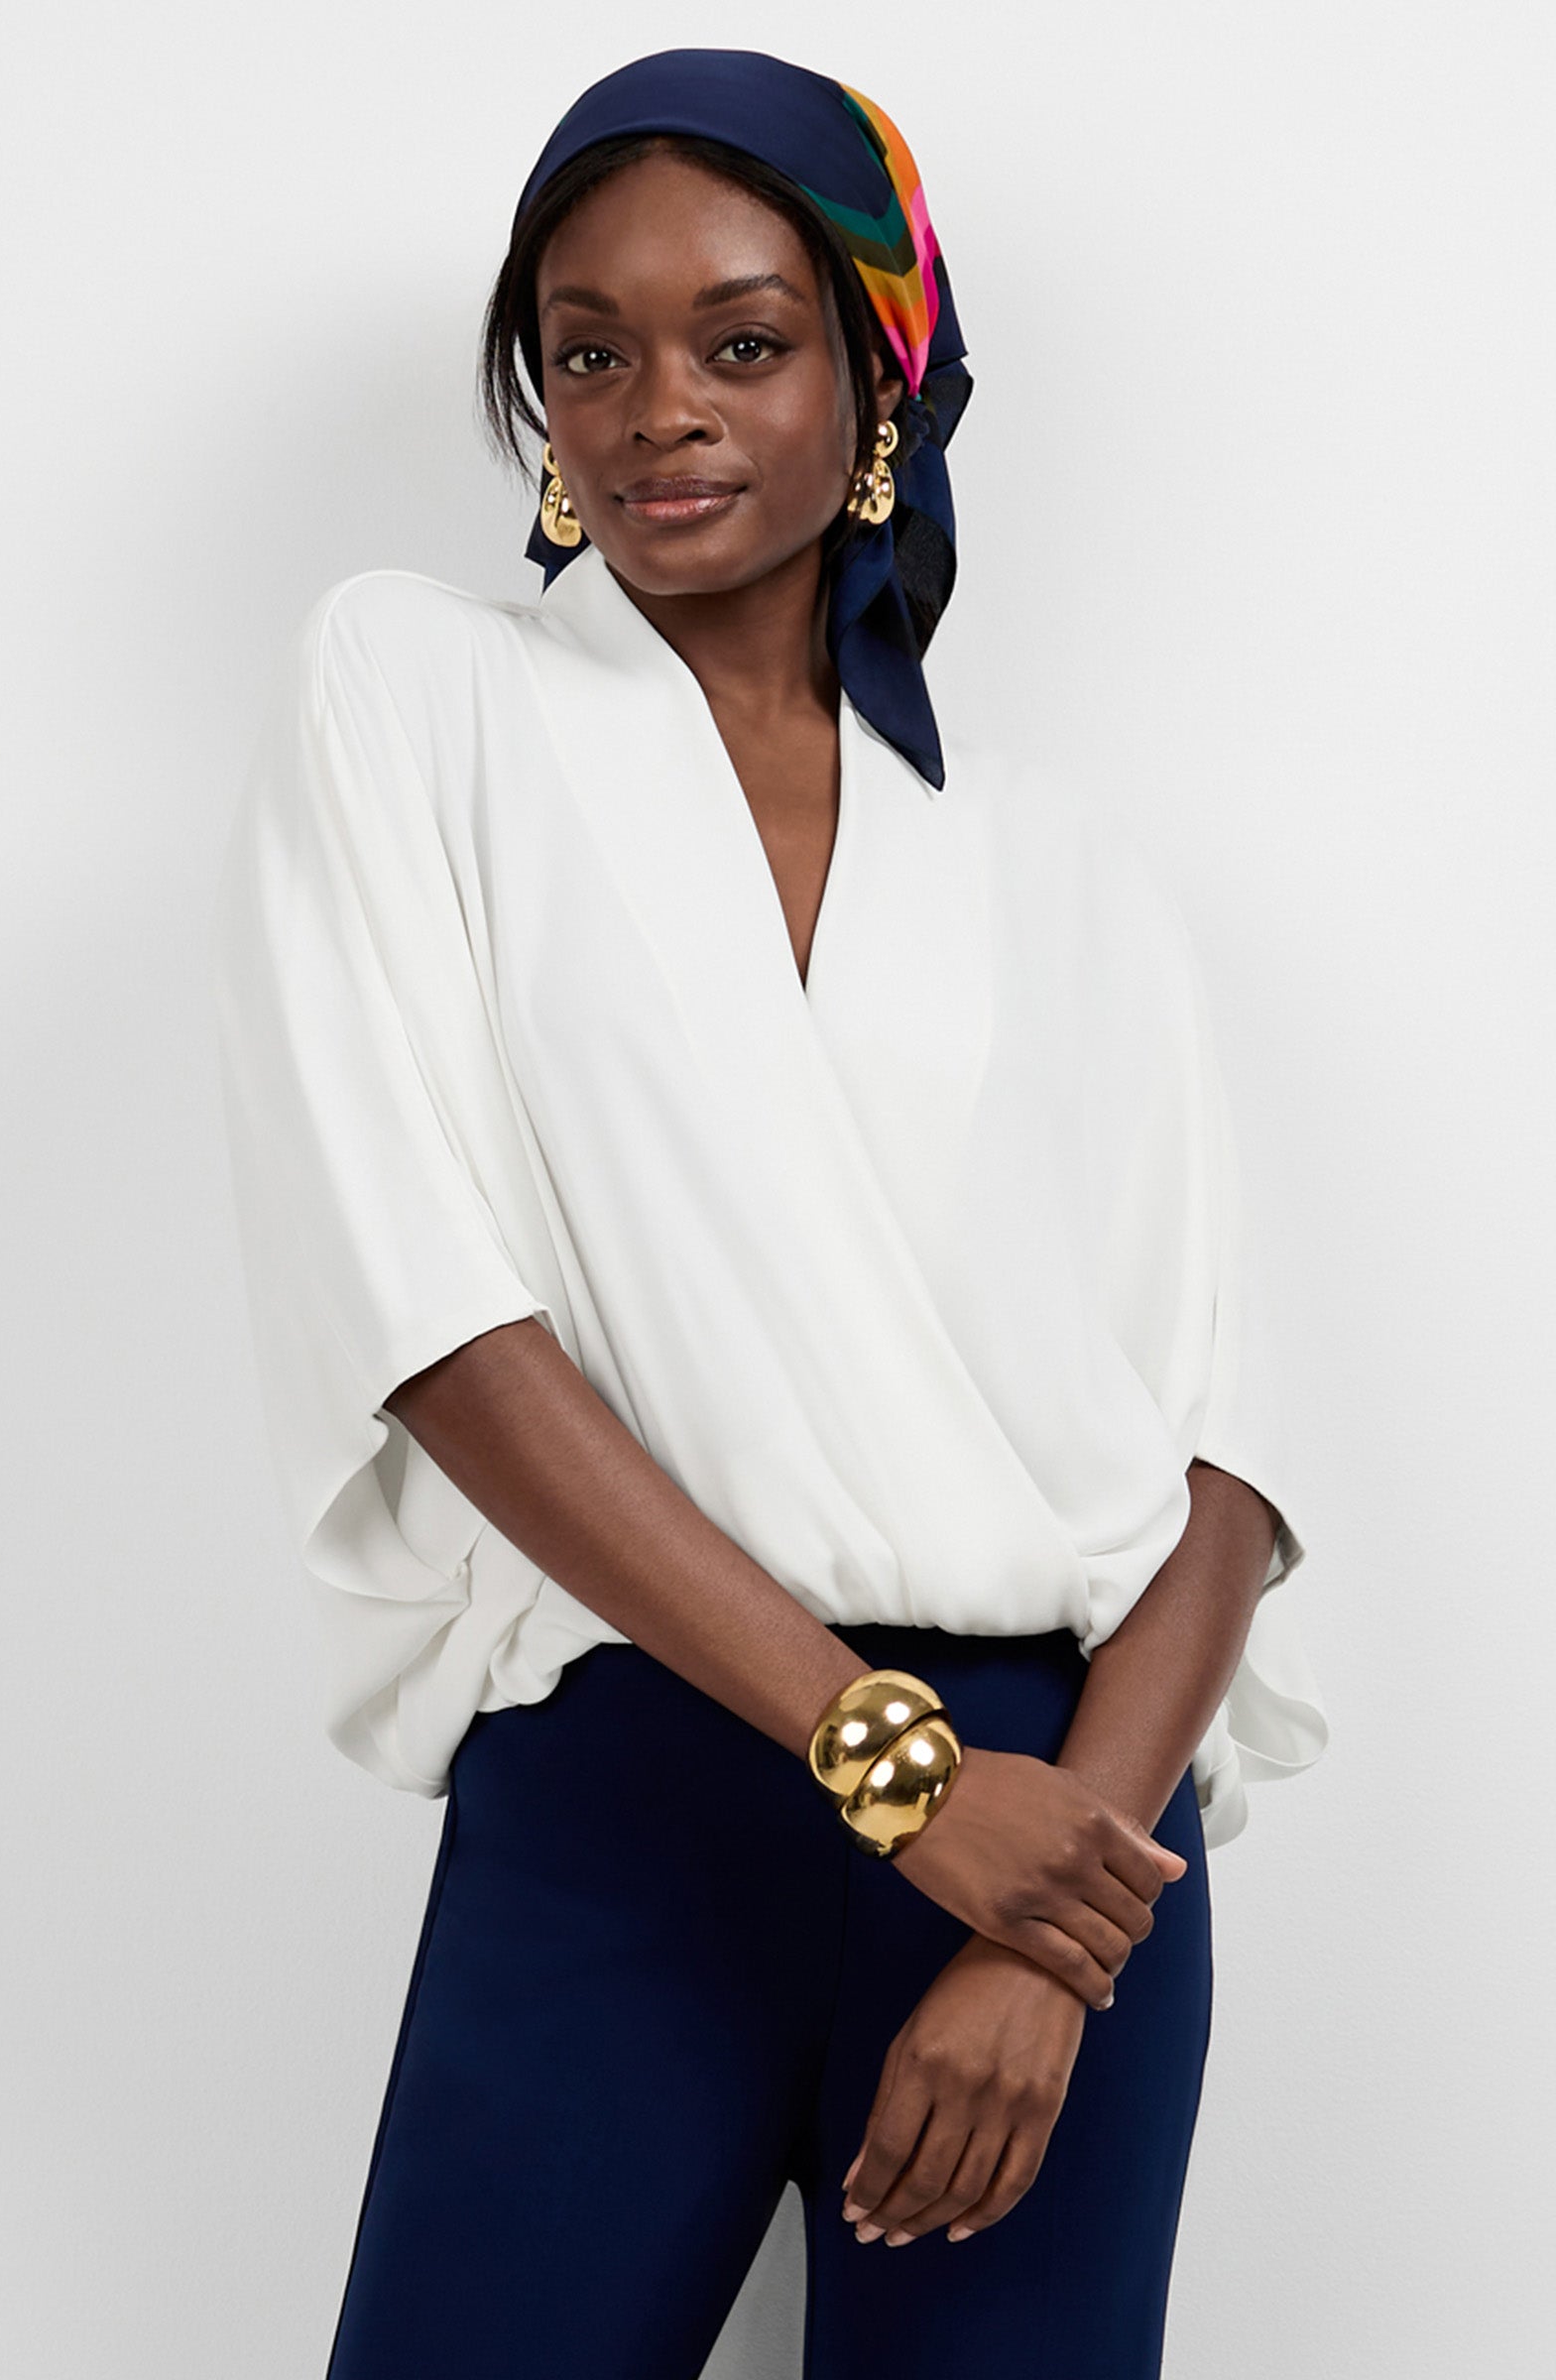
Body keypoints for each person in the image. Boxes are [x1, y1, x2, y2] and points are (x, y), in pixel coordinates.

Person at [210, 46, 1331, 2379]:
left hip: (1057, 1826)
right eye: (585, 352)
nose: (655, 411)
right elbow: (427, 1310)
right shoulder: (418, 697)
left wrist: (1041, 1930)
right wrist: (881, 1772)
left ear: (874, 377)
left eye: (740, 342)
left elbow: (1218, 1472)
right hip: (638, 1789)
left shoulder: (1053, 861)